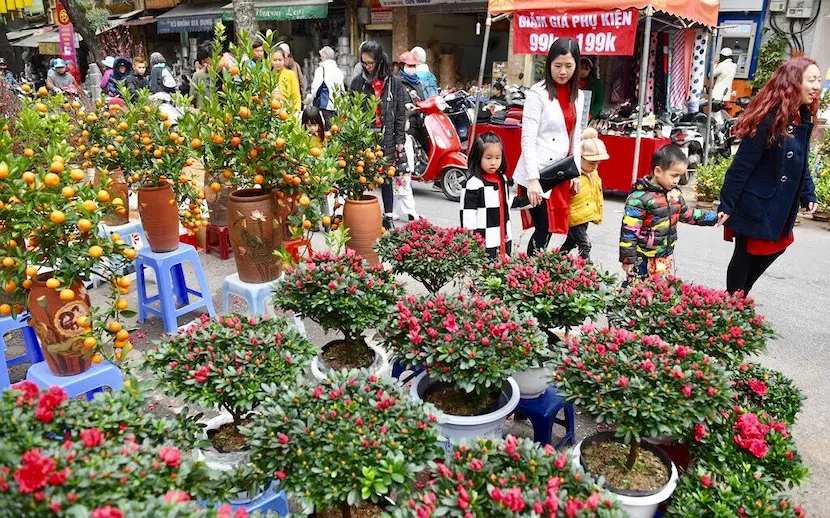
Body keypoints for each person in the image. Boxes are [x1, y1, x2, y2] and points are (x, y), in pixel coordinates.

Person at [718, 57, 820, 295]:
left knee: (778, 246)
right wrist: (727, 203)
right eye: (811, 80)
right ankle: (733, 301)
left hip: (781, 203)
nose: (816, 86)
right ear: (793, 83)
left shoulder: (802, 117)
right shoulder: (769, 119)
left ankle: (738, 297)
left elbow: (802, 162)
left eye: (818, 80)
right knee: (745, 253)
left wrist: (808, 191)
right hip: (756, 201)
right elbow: (741, 165)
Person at [513, 37, 585, 255]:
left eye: (569, 66)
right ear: (549, 64)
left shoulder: (579, 96)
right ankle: (528, 274)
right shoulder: (537, 93)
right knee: (543, 227)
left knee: (551, 227)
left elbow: (577, 136)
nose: (563, 71)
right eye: (558, 65)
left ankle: (534, 273)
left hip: (561, 172)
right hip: (539, 172)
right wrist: (533, 180)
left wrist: (576, 172)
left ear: (577, 66)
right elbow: (528, 138)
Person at [619, 144, 718, 282]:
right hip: (643, 257)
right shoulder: (639, 198)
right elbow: (629, 231)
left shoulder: (675, 194)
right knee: (637, 291)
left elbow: (687, 214)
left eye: (680, 176)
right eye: (674, 175)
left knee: (658, 292)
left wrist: (715, 217)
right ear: (658, 171)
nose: (677, 180)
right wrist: (628, 258)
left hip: (664, 256)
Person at [350, 41, 407, 230]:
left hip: (387, 135)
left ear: (379, 61)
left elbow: (400, 113)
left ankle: (388, 216)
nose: (366, 67)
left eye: (370, 63)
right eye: (364, 63)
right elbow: (351, 111)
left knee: (387, 177)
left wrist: (400, 140)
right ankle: (360, 214)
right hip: (365, 136)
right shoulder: (358, 82)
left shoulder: (394, 83)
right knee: (361, 174)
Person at [460, 132, 513, 260]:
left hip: (503, 236)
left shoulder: (502, 179)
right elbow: (467, 216)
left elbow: (507, 202)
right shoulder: (473, 184)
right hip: (484, 238)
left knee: (502, 272)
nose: (493, 163)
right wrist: (471, 241)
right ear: (478, 157)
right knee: (486, 273)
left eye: (497, 158)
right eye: (488, 158)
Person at [561, 128, 608, 264]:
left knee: (570, 243)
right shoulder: (574, 176)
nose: (595, 166)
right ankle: (585, 266)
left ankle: (556, 260)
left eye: (598, 163)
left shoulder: (593, 174)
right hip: (574, 218)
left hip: (584, 217)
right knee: (584, 245)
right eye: (592, 162)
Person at [309, 45, 344, 122]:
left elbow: (315, 88)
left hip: (325, 104)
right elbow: (342, 90)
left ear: (324, 56)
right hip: (338, 105)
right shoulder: (339, 71)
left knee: (325, 128)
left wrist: (312, 97)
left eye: (321, 56)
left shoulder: (321, 70)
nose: (320, 58)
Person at [271, 48, 302, 113]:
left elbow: (296, 95)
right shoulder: (267, 75)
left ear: (284, 60)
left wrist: (296, 110)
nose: (277, 63)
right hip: (271, 112)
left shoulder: (290, 74)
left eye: (280, 60)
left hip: (287, 111)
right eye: (275, 60)